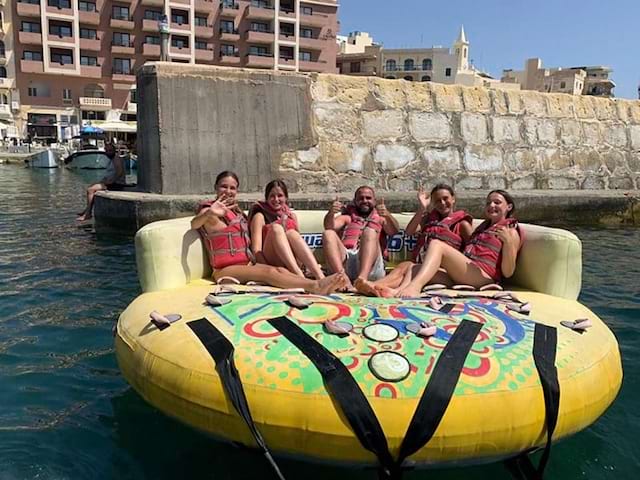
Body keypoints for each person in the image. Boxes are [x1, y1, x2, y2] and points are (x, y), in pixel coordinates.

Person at [191, 171, 346, 294]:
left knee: (280, 270)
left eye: (232, 188)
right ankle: (315, 286)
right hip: (225, 270)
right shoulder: (210, 211)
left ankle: (314, 281)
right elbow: (194, 223)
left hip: (247, 264)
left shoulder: (236, 212)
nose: (228, 191)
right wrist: (208, 213)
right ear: (215, 188)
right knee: (270, 272)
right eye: (223, 187)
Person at [392, 190, 522, 297]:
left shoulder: (510, 233)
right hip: (467, 273)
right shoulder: (483, 228)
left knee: (437, 244)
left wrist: (509, 243)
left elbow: (508, 272)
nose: (491, 205)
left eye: (497, 202)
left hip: (484, 276)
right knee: (414, 268)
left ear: (508, 207)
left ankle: (414, 288)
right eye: (488, 203)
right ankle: (398, 292)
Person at [357, 184, 474, 297]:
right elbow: (409, 232)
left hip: (447, 273)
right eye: (437, 201)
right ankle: (373, 286)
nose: (442, 203)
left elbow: (472, 252)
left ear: (453, 199)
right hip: (424, 268)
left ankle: (390, 289)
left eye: (445, 198)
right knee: (405, 265)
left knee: (412, 268)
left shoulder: (462, 224)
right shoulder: (428, 220)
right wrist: (422, 208)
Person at [322, 186, 399, 291]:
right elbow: (329, 226)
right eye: (361, 198)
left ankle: (362, 279)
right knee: (328, 233)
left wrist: (387, 215)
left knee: (369, 232)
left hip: (371, 266)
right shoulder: (348, 218)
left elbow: (393, 231)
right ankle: (342, 278)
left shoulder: (381, 219)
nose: (364, 201)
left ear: (374, 201)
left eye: (368, 198)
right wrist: (331, 213)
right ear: (355, 201)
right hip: (346, 261)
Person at [248, 180, 325, 279]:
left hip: (293, 261)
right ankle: (299, 277)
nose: (276, 199)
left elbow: (297, 243)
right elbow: (256, 250)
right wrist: (269, 272)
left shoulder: (291, 216)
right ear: (266, 198)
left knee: (292, 233)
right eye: (272, 196)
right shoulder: (260, 216)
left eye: (280, 195)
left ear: (286, 198)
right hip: (271, 262)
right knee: (276, 229)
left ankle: (320, 277)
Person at [76, 143, 125, 221]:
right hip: (111, 183)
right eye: (106, 150)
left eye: (110, 150)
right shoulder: (112, 159)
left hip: (116, 184)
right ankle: (86, 210)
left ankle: (88, 214)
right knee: (91, 186)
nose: (108, 152)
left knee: (90, 190)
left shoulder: (116, 159)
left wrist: (111, 181)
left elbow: (120, 172)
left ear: (114, 151)